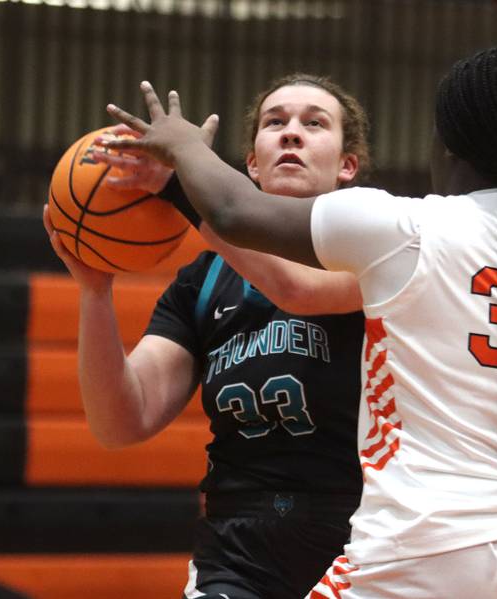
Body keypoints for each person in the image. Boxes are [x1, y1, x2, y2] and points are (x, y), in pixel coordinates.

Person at [100, 0, 497, 597]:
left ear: (446, 148)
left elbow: (234, 211)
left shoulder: (406, 229)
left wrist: (182, 149)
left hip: (423, 546)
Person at [44, 73, 371, 599]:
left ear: (347, 165)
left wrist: (179, 182)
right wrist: (95, 293)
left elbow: (294, 287)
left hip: (364, 541)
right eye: (275, 122)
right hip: (237, 551)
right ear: (251, 164)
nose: (292, 133)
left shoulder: (378, 253)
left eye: (314, 123)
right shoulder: (203, 281)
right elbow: (121, 420)